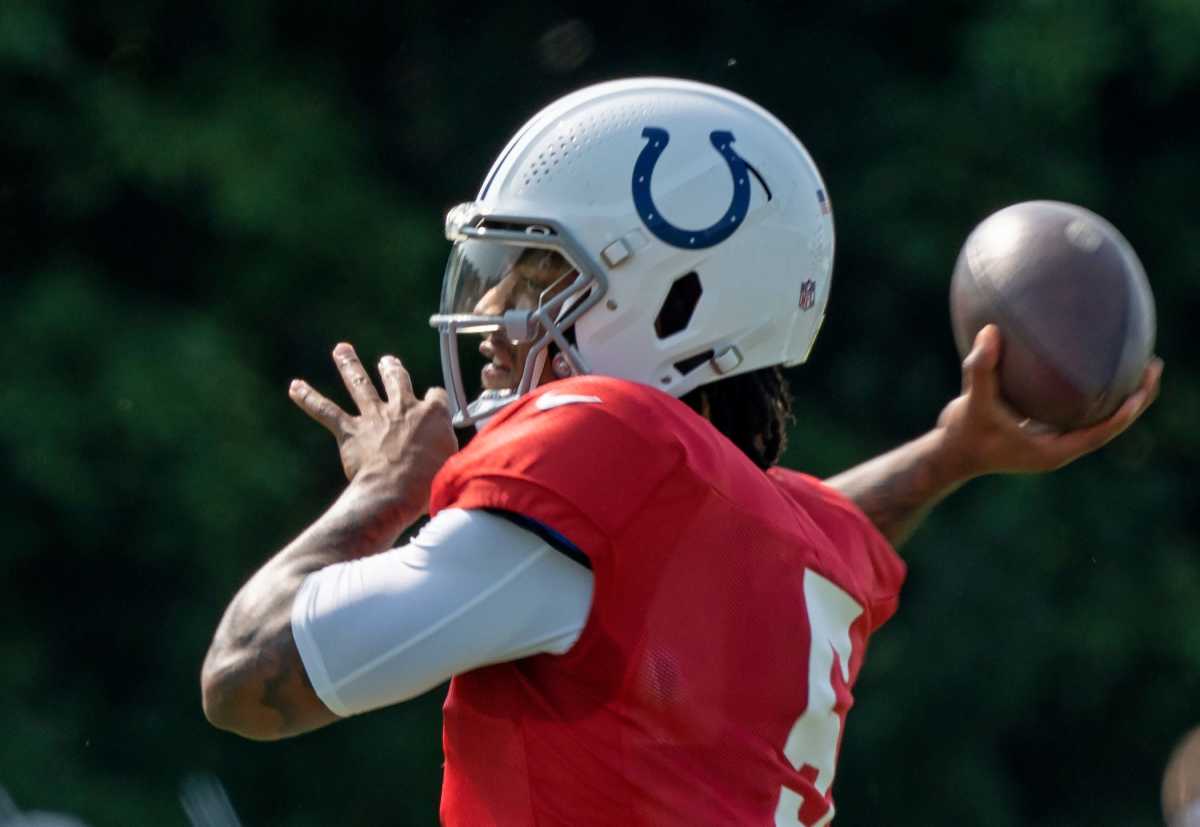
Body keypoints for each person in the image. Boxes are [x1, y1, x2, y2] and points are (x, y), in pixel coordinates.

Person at [200, 78, 1161, 825]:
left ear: (677, 299)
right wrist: (951, 454)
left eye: (541, 270)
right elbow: (811, 523)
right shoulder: (749, 537)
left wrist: (378, 491)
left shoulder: (603, 459)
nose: (494, 317)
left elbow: (248, 679)